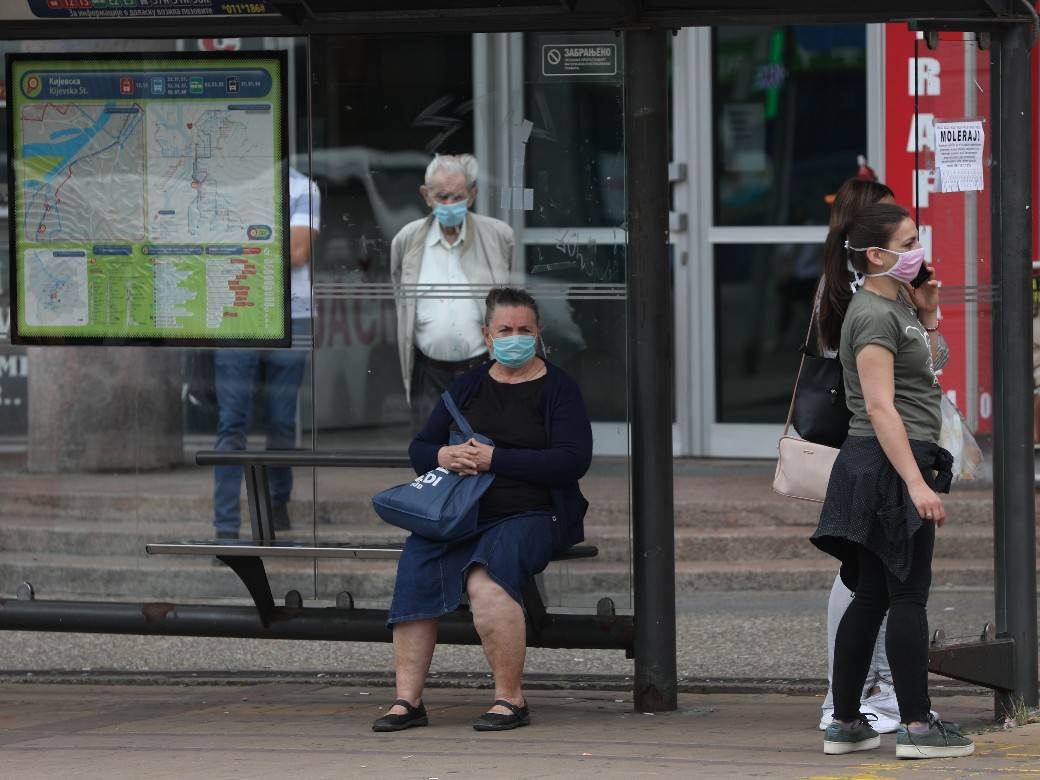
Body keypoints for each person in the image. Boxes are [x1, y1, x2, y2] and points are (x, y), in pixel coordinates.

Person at [372, 287, 592, 733]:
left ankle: (510, 699)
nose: (515, 337)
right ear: (486, 336)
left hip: (533, 514)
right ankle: (407, 701)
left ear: (539, 334)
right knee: (416, 569)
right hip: (459, 513)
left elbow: (573, 461)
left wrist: (497, 460)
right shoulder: (469, 384)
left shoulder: (559, 388)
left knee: (486, 579)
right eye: (505, 330)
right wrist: (444, 457)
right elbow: (419, 447)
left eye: (524, 330)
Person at [811, 202, 973, 759]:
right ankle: (917, 728)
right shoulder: (873, 315)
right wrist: (916, 484)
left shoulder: (897, 302)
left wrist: (928, 314)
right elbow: (880, 409)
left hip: (888, 462)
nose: (918, 250)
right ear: (876, 255)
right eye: (908, 243)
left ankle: (848, 722)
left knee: (874, 593)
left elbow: (931, 371)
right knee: (907, 595)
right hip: (885, 463)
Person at [212, 167, 321, 539]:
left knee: (280, 420)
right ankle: (225, 529)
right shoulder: (220, 183)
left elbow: (299, 251)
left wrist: (233, 245)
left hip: (292, 314)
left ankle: (277, 507)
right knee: (231, 424)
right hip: (234, 314)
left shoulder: (301, 187)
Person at [390, 154, 519, 431]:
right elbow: (400, 299)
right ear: (427, 196)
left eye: (457, 196)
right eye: (442, 196)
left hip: (482, 368)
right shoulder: (407, 239)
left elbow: (513, 298)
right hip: (428, 371)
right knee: (431, 454)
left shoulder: (498, 235)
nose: (449, 204)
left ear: (472, 195)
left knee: (482, 450)